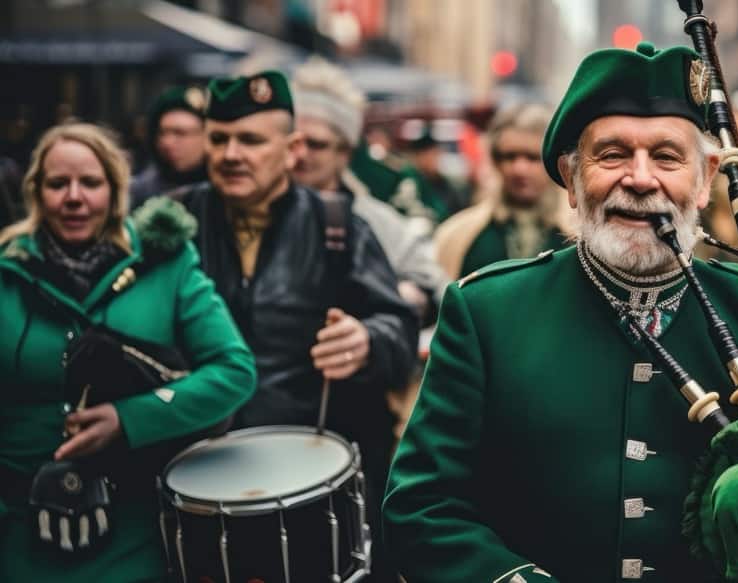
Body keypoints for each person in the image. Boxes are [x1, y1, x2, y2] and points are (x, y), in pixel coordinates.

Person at [385, 41, 738, 583]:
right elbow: (422, 504)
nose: (640, 179)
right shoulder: (486, 313)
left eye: (667, 157)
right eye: (612, 154)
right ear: (571, 180)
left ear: (704, 179)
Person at [173, 71, 418, 581]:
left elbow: (399, 327)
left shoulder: (337, 224)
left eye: (251, 140)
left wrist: (366, 340)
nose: (231, 154)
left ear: (291, 148)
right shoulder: (173, 223)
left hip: (311, 490)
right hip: (194, 482)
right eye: (218, 139)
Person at [0, 123, 255, 581]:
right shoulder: (6, 274)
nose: (74, 197)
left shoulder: (166, 264)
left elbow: (234, 372)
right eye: (58, 184)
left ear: (116, 190)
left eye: (91, 183)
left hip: (136, 533)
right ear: (36, 192)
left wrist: (129, 419)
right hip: (16, 534)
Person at [291, 57, 446, 321]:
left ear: (345, 153)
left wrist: (402, 299)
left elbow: (435, 287)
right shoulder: (256, 208)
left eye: (316, 144)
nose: (302, 154)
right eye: (294, 141)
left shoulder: (375, 220)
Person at [432, 103, 572, 281]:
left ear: (555, 162)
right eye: (509, 156)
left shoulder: (580, 236)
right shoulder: (457, 236)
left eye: (532, 157)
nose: (519, 169)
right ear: (495, 161)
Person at [130, 85, 209, 208]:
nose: (167, 142)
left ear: (208, 136)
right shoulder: (138, 192)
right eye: (161, 133)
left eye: (180, 133)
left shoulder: (227, 187)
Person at [406, 129, 470, 222]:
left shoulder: (447, 184)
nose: (432, 159)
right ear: (417, 157)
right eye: (427, 155)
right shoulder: (412, 182)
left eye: (434, 154)